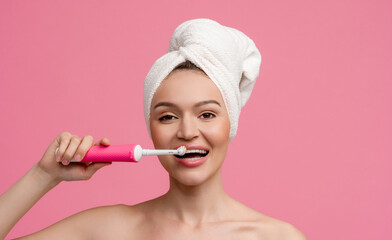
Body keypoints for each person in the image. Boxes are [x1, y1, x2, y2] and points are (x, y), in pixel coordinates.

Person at [0, 19, 307, 239]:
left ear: (231, 123)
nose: (187, 131)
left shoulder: (278, 236)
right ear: (151, 129)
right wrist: (43, 175)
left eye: (207, 114)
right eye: (168, 117)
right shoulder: (111, 230)